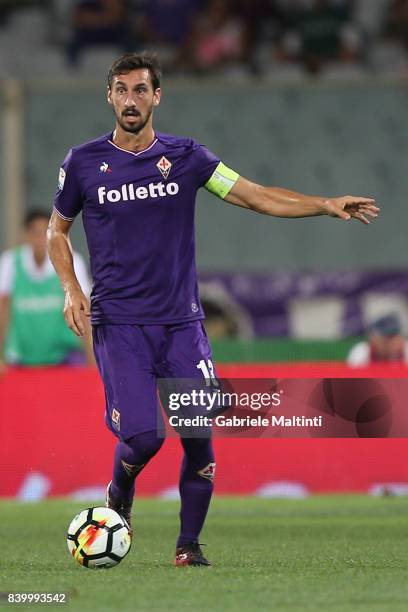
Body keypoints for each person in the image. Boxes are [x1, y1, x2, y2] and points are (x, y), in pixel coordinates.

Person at [47, 52, 379, 567]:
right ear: (108, 95)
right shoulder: (84, 162)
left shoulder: (188, 158)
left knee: (198, 435)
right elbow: (56, 231)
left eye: (140, 90)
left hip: (182, 324)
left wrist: (323, 203)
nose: (130, 100)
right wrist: (72, 288)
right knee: (141, 438)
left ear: (158, 96)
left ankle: (188, 546)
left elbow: (255, 196)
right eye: (121, 90)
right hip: (120, 325)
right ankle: (119, 493)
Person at [0, 210, 93, 373]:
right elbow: (3, 311)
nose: (41, 240)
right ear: (26, 235)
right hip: (20, 357)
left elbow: (85, 312)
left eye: (46, 232)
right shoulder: (10, 263)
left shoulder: (72, 261)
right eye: (35, 233)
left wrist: (93, 362)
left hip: (64, 357)